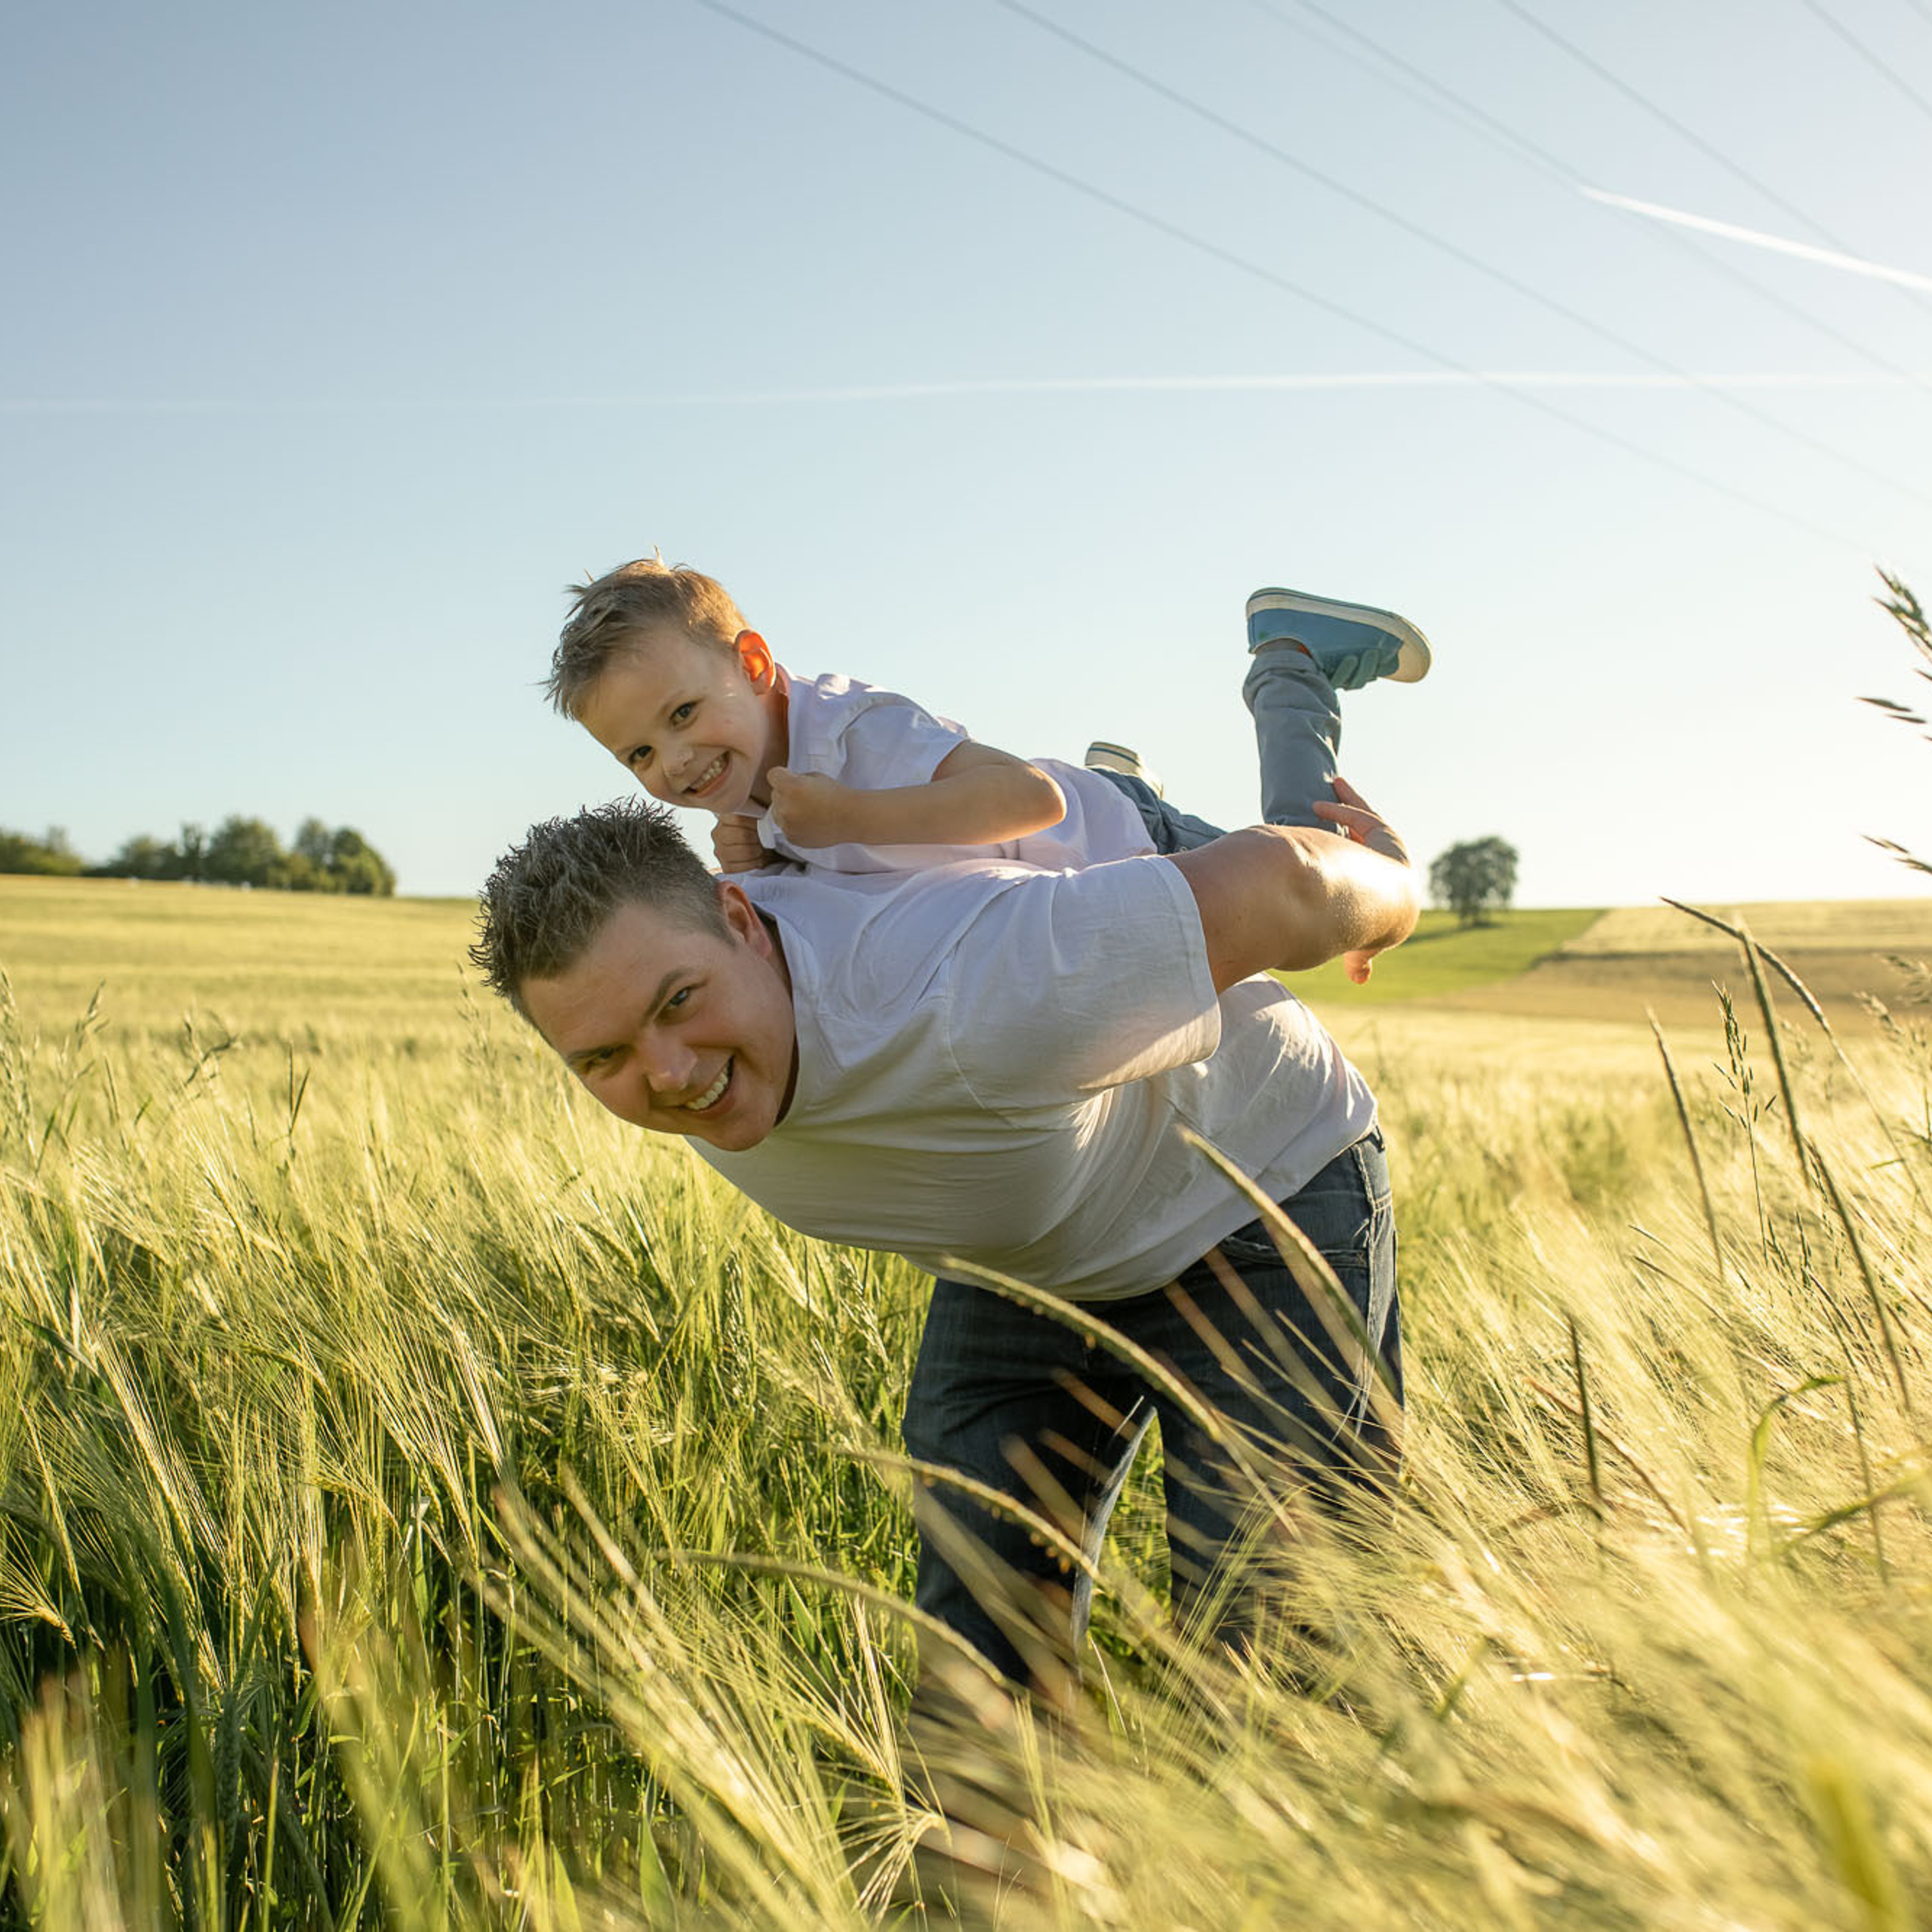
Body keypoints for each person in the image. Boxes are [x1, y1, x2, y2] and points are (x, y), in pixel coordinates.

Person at [470, 745, 1417, 1701]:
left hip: (1250, 1193)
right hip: (1029, 1245)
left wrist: (1396, 890)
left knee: (1272, 1665)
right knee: (975, 1685)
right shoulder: (689, 1039)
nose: (670, 1074)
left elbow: (1288, 883)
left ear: (738, 920)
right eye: (604, 1057)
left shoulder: (973, 986)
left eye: (679, 1002)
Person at [545, 557, 1429, 977]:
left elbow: (1026, 796)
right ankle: (1119, 772)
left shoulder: (857, 732)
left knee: (1317, 867)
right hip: (1081, 864)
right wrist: (768, 856)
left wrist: (847, 817)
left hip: (1121, 837)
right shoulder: (749, 779)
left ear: (751, 664)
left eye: (684, 715)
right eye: (640, 753)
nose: (677, 763)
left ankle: (1287, 655)